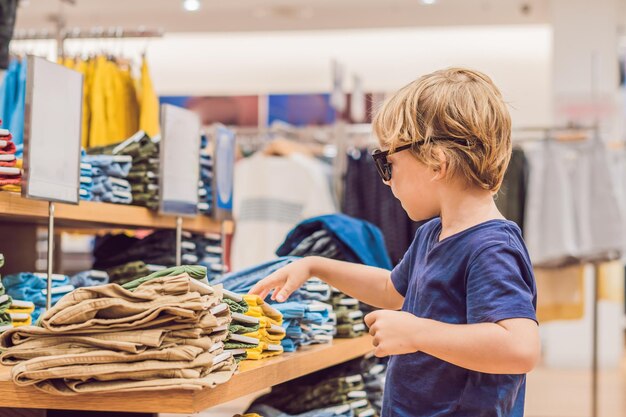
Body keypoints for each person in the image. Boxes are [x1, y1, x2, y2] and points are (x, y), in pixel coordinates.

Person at [249, 68, 539, 417]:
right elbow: (391, 289)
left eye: (388, 163)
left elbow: (519, 348)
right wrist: (316, 266)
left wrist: (417, 333)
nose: (385, 181)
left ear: (436, 162)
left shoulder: (490, 247)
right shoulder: (433, 234)